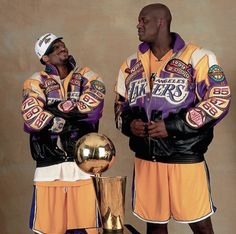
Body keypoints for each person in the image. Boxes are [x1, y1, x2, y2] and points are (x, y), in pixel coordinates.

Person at [114, 3, 230, 234]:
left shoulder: (198, 56)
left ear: (161, 22)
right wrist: (129, 124)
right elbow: (120, 107)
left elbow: (219, 99)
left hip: (184, 157)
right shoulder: (130, 64)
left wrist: (175, 125)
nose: (138, 25)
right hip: (146, 159)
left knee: (201, 224)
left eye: (143, 20)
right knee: (155, 226)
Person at [22, 33, 105, 234]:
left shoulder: (88, 75)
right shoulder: (34, 81)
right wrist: (71, 116)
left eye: (62, 44)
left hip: (83, 166)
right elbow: (31, 118)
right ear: (45, 58)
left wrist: (52, 111)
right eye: (54, 47)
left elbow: (93, 111)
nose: (61, 48)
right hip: (48, 168)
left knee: (87, 229)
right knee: (49, 229)